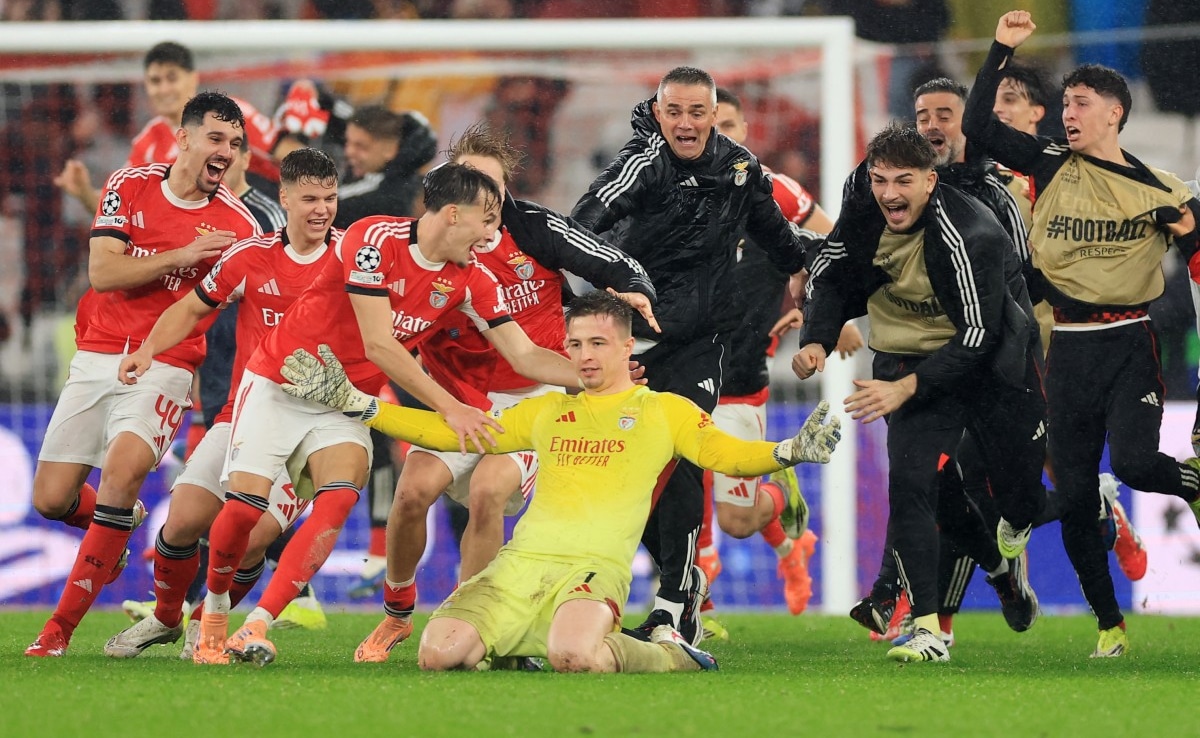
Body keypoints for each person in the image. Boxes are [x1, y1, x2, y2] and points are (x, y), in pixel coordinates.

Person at [278, 290, 842, 673]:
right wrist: (358, 404)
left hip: (592, 570)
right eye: (575, 345)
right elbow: (451, 433)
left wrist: (790, 451)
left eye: (598, 344)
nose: (585, 356)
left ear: (628, 347)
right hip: (522, 565)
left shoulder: (664, 411)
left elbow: (728, 454)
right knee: (438, 654)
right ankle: (522, 635)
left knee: (575, 657)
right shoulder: (548, 411)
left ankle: (671, 653)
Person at [193, 163, 590, 667]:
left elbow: (526, 355)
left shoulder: (473, 279)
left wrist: (601, 377)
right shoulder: (372, 239)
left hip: (345, 399)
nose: (492, 234)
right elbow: (380, 343)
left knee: (337, 502)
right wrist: (452, 407)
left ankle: (259, 624)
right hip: (281, 381)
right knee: (247, 511)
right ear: (452, 214)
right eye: (486, 220)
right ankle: (212, 612)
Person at [355, 124, 659, 663]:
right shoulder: (430, 254)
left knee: (488, 491)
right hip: (459, 398)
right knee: (410, 494)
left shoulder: (529, 231)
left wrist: (625, 313)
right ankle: (397, 613)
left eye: (493, 190)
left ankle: (476, 624)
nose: (486, 203)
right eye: (472, 188)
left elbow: (598, 267)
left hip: (530, 398)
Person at [962, 10, 1200, 658]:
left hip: (1129, 340)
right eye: (1064, 102)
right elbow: (977, 127)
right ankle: (1109, 624)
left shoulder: (1159, 191)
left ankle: (1192, 480)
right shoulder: (1047, 162)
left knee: (1132, 463)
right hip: (1063, 346)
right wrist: (1000, 50)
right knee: (1069, 498)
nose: (1068, 113)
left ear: (1115, 114)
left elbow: (1198, 263)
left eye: (1081, 103)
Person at [571, 66, 810, 645]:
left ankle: (674, 602)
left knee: (681, 461)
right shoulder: (642, 164)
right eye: (673, 112)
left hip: (700, 343)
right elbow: (580, 225)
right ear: (658, 114)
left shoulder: (739, 168)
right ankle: (623, 584)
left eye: (696, 112)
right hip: (633, 338)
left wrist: (819, 299)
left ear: (712, 115)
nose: (685, 123)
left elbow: (782, 240)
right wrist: (610, 288)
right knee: (624, 469)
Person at [793, 122, 1044, 663]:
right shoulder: (863, 203)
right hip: (908, 358)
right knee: (914, 486)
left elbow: (979, 334)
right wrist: (815, 338)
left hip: (992, 361)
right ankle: (929, 628)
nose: (889, 193)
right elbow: (829, 271)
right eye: (881, 179)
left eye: (903, 181)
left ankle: (1018, 554)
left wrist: (905, 388)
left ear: (931, 181)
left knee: (1021, 497)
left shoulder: (969, 232)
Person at [25, 91, 260, 657]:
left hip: (168, 363)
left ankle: (56, 634)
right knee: (51, 500)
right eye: (215, 138)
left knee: (121, 473)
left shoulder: (236, 224)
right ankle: (120, 524)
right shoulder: (128, 185)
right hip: (97, 351)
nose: (225, 152)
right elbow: (104, 272)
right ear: (183, 137)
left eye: (234, 143)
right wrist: (184, 253)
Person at [99, 147, 340, 660]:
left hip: (309, 432)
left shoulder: (350, 263)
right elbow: (189, 308)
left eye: (330, 198)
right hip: (241, 414)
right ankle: (165, 618)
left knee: (250, 538)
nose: (322, 209)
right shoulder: (251, 256)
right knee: (181, 524)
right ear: (285, 198)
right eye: (310, 198)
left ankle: (204, 624)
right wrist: (147, 349)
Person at [694, 88, 841, 636]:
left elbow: (835, 243)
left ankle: (782, 501)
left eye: (729, 123)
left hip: (740, 378)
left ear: (745, 130)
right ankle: (693, 612)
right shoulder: (670, 188)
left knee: (735, 520)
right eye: (712, 125)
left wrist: (825, 308)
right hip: (680, 371)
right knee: (674, 491)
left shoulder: (773, 190)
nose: (721, 134)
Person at [54, 41, 280, 214]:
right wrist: (84, 192)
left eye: (171, 78)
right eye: (155, 81)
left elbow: (288, 151)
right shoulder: (149, 142)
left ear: (193, 78)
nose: (163, 89)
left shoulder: (230, 113)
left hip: (265, 230)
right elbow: (120, 209)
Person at [333, 105, 438, 229]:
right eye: (347, 142)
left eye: (361, 146)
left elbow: (323, 206)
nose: (349, 151)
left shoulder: (385, 197)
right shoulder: (395, 167)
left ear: (391, 149)